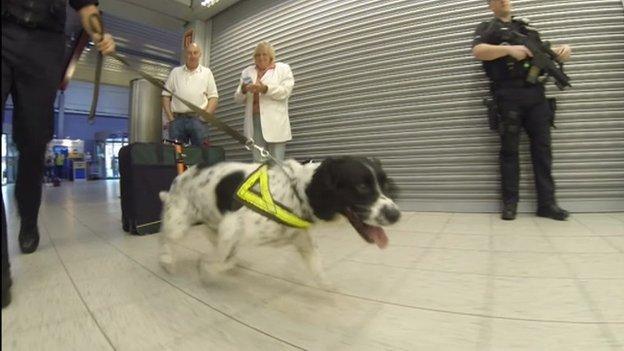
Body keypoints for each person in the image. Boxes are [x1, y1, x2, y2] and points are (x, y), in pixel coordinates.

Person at [2, 0, 116, 308]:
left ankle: (28, 217)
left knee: (33, 142)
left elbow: (86, 5)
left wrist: (99, 34)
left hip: (43, 43)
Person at [472, 0, 572, 221]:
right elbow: (478, 51)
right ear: (491, 5)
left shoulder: (527, 29)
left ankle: (547, 204)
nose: (504, 1)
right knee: (509, 152)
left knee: (543, 152)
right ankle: (510, 204)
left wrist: (562, 51)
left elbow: (544, 54)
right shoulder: (487, 27)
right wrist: (508, 49)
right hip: (508, 95)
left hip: (536, 96)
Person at [234, 41, 295, 162]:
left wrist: (265, 88)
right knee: (259, 163)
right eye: (257, 55)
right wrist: (244, 90)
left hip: (276, 122)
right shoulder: (247, 72)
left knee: (276, 162)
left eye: (264, 54)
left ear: (271, 56)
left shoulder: (283, 69)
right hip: (255, 121)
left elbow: (285, 91)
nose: (261, 57)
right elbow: (237, 98)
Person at [162, 43, 218, 146]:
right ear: (185, 55)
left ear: (200, 54)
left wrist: (204, 118)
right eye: (189, 53)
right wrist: (171, 119)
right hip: (177, 121)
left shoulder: (207, 73)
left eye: (195, 53)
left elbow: (213, 98)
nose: (192, 56)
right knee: (177, 157)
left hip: (198, 121)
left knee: (201, 156)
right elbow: (165, 95)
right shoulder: (175, 72)